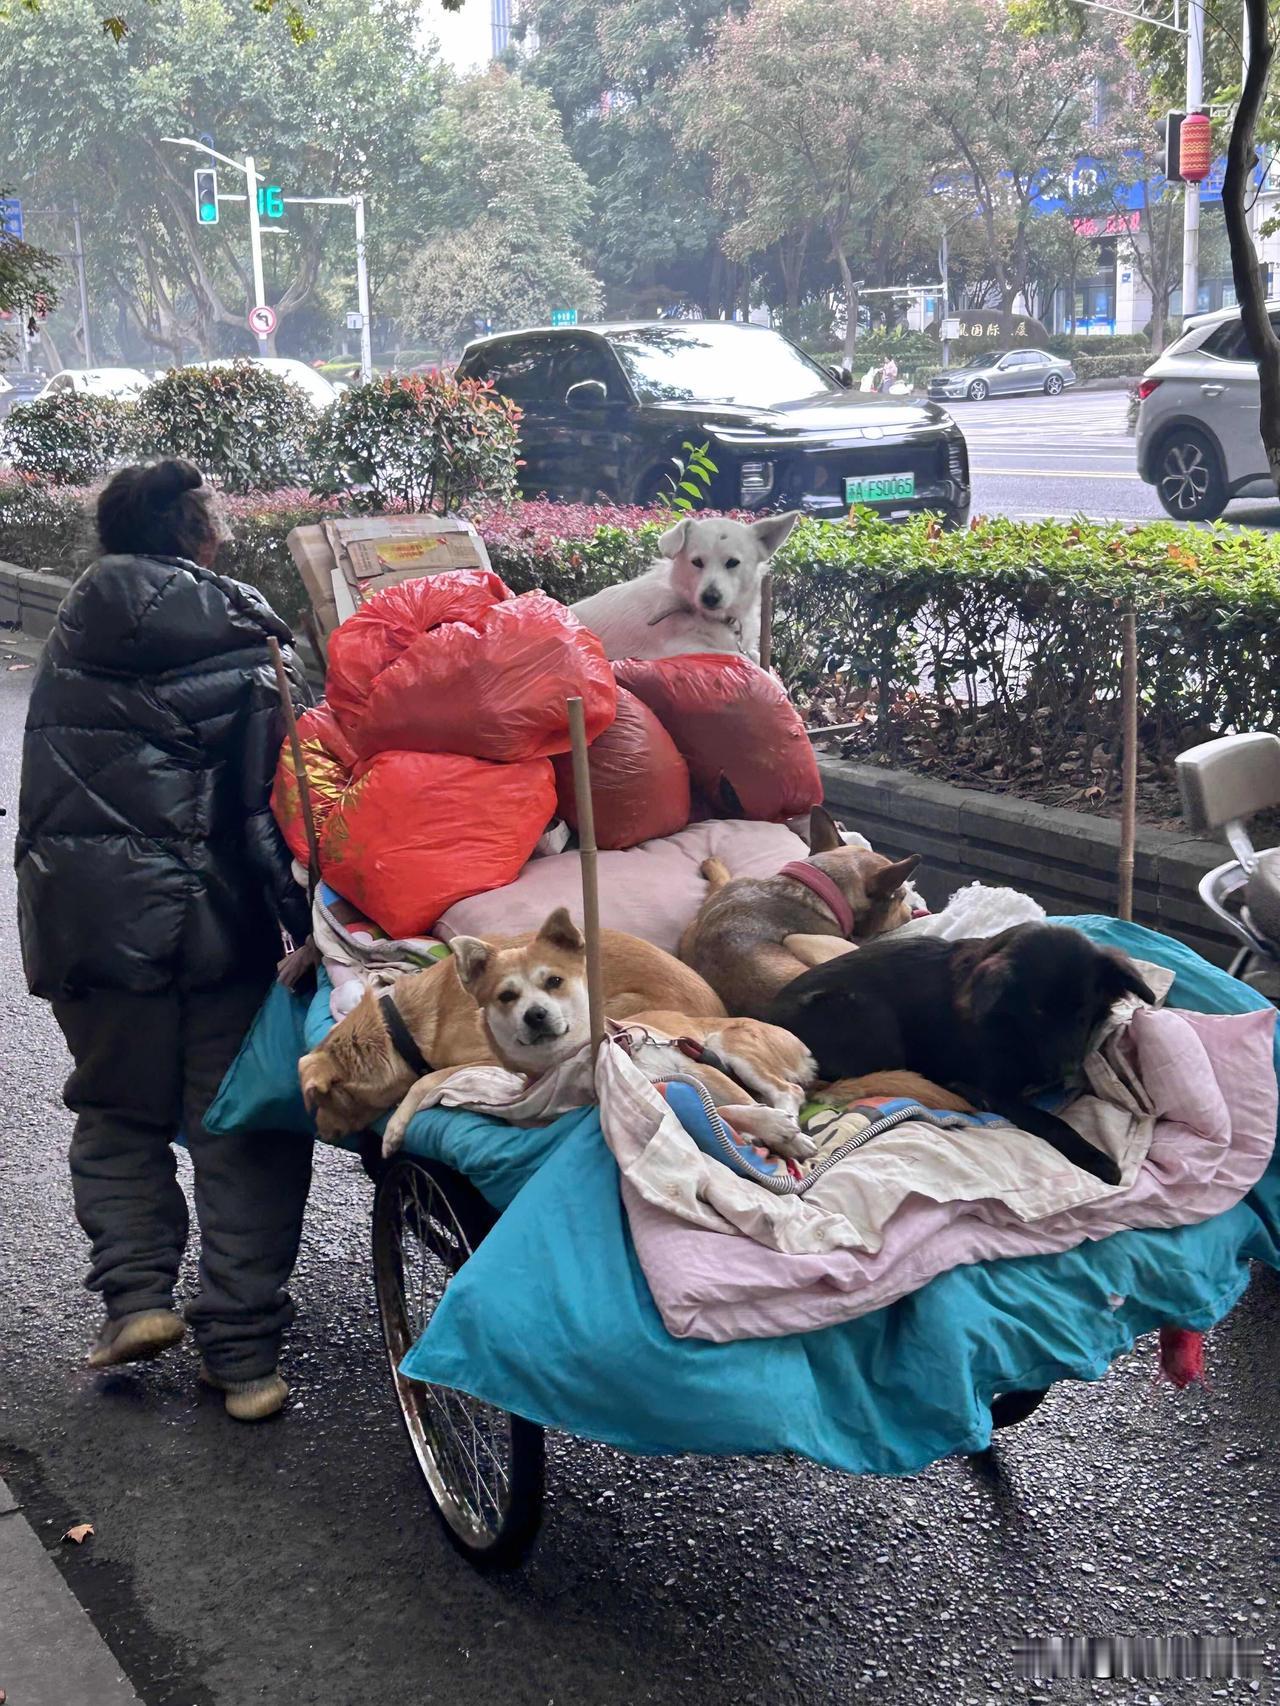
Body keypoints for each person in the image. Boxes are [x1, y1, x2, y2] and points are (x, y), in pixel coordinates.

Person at [15, 459, 314, 1422]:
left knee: (117, 1115)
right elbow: (273, 817)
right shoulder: (247, 637)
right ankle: (243, 1358)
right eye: (215, 519)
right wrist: (319, 932)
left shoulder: (72, 626)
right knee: (238, 1131)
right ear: (194, 534)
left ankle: (137, 1299)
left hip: (82, 924)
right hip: (210, 929)